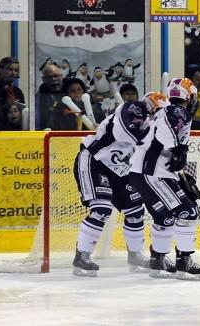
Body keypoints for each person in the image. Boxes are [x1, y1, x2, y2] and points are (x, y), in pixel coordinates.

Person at [129, 78, 200, 281]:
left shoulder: (163, 111)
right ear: (189, 96)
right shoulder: (177, 111)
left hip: (142, 172)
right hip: (152, 173)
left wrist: (180, 177)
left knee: (164, 217)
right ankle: (184, 262)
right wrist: (178, 149)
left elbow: (167, 149)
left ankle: (158, 261)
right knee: (188, 211)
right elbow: (167, 137)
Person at [72, 99, 157, 277]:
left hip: (121, 170)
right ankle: (82, 256)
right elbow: (126, 133)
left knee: (135, 211)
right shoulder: (130, 110)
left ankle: (135, 256)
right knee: (101, 209)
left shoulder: (153, 125)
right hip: (95, 162)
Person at [0, 57, 25, 131]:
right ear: (0, 69)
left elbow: (23, 117)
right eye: (10, 69)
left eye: (16, 70)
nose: (13, 73)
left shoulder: (17, 92)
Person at [35, 63, 65, 130]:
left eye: (56, 76)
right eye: (49, 77)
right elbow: (37, 121)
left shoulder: (70, 92)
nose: (54, 79)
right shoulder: (39, 97)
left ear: (62, 76)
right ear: (44, 79)